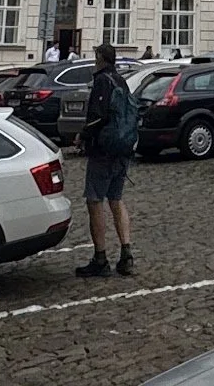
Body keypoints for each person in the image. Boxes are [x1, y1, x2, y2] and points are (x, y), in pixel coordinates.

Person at [74, 42, 134, 278]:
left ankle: (100, 257)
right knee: (116, 200)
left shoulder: (102, 81)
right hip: (123, 147)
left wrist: (82, 135)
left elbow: (98, 116)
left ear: (100, 58)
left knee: (95, 201)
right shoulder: (121, 80)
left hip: (104, 149)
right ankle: (126, 253)